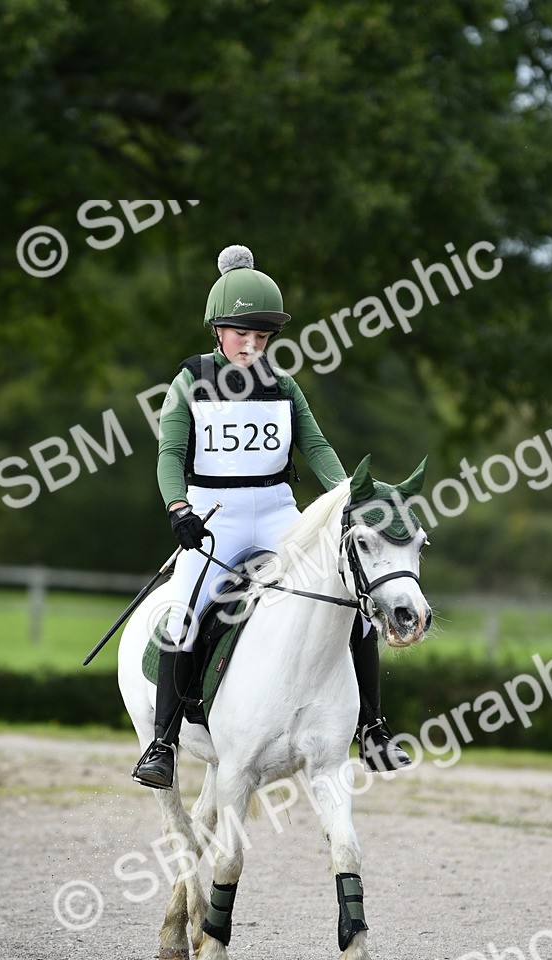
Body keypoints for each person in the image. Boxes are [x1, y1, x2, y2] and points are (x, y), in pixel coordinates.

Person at [132, 244, 410, 789]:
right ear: (217, 329)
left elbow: (316, 446)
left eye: (261, 338)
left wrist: (348, 494)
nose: (252, 346)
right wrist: (179, 508)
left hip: (281, 512)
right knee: (184, 615)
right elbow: (170, 454)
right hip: (216, 514)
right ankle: (162, 744)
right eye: (242, 334)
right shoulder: (190, 382)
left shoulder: (283, 386)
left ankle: (373, 728)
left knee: (353, 608)